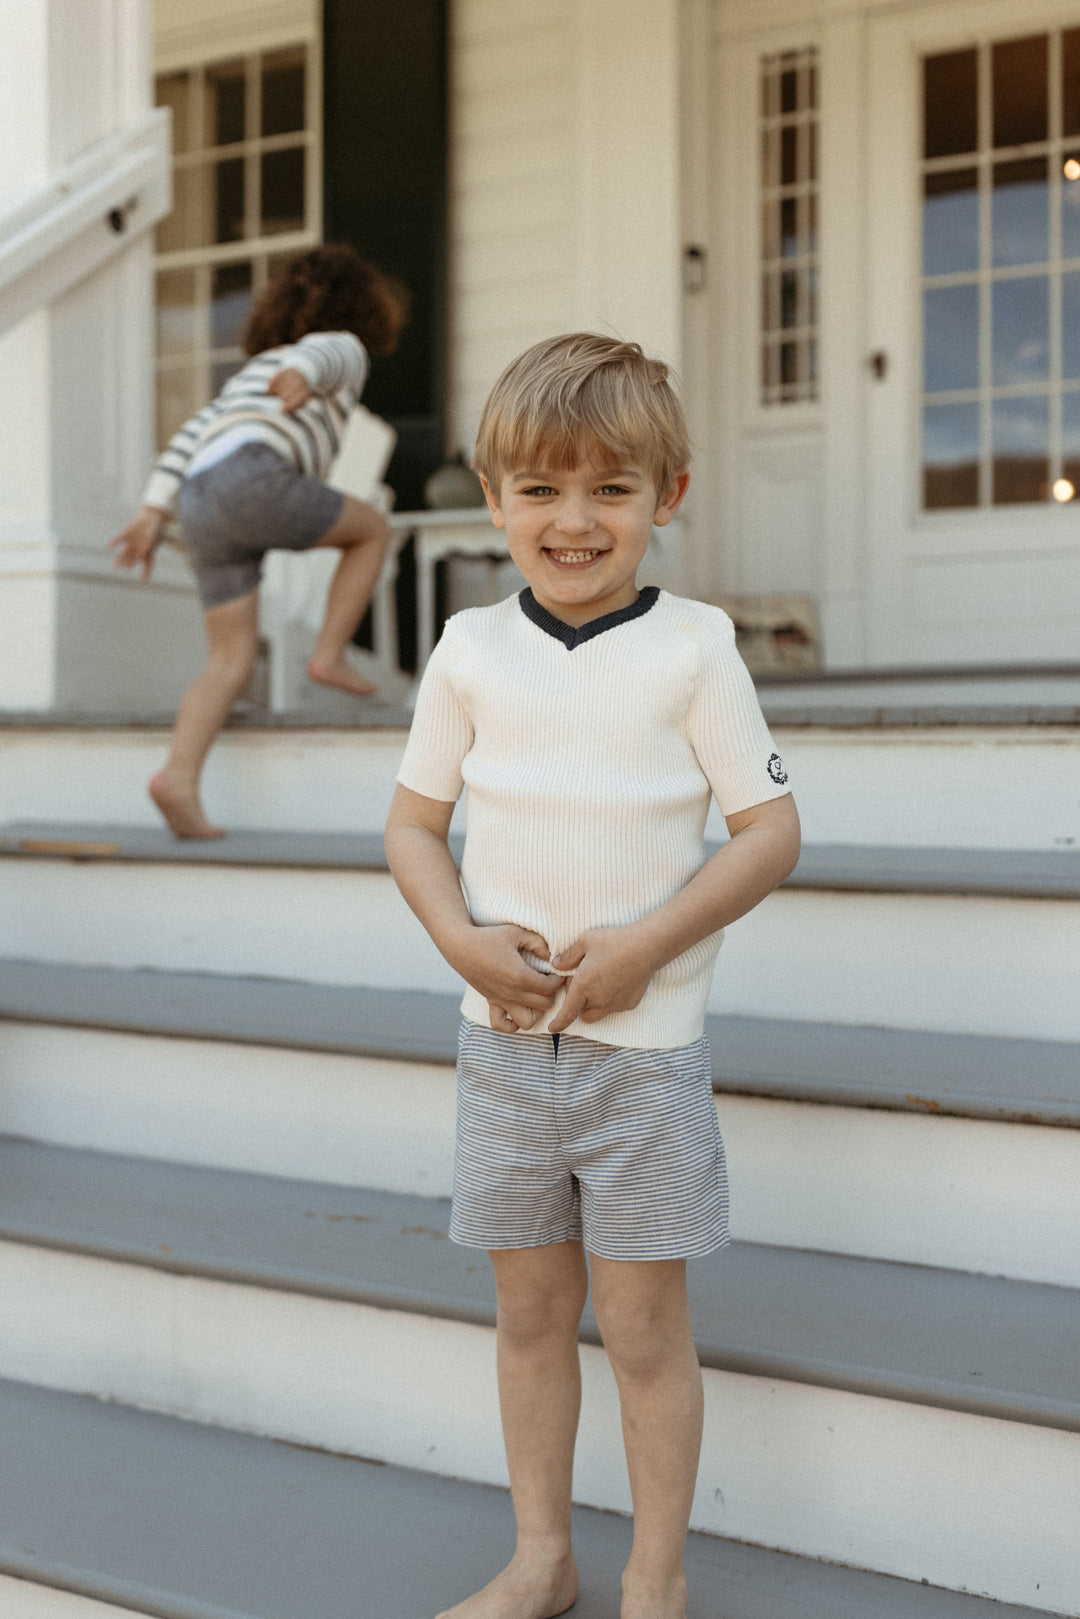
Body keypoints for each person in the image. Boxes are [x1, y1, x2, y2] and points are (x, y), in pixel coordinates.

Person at [384, 333, 801, 1619]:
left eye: (612, 490)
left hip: (644, 1061)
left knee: (641, 1328)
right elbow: (413, 828)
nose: (574, 521)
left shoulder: (695, 648)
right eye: (542, 490)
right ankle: (541, 1556)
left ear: (665, 497)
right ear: (493, 496)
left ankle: (656, 1575)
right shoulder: (464, 649)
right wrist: (459, 938)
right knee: (527, 1318)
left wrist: (646, 944)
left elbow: (771, 832)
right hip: (505, 1052)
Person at [110, 244, 406, 838]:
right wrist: (306, 375)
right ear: (360, 308)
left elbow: (188, 438)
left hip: (198, 501)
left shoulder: (244, 377)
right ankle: (329, 653)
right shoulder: (339, 347)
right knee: (371, 528)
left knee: (229, 661)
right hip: (256, 478)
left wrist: (152, 511)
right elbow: (329, 351)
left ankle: (178, 778)